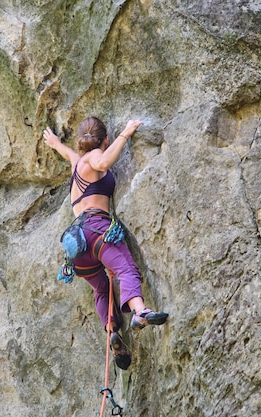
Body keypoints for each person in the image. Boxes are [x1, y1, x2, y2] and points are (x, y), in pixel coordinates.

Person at [43, 116, 168, 370]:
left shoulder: (77, 163)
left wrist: (55, 143)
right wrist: (127, 132)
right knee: (126, 269)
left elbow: (68, 154)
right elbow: (103, 161)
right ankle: (140, 311)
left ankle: (112, 329)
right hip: (96, 230)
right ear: (104, 140)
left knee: (101, 288)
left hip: (77, 245)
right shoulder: (92, 159)